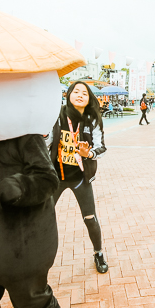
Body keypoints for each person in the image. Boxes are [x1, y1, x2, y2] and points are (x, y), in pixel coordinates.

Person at [47, 81, 109, 273]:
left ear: (89, 98)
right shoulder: (57, 115)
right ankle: (38, 258)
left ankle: (98, 253)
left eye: (85, 93)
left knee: (90, 218)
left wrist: (88, 154)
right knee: (42, 217)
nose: (80, 95)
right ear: (69, 95)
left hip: (81, 177)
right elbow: (47, 140)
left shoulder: (92, 119)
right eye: (76, 91)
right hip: (56, 177)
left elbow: (102, 147)